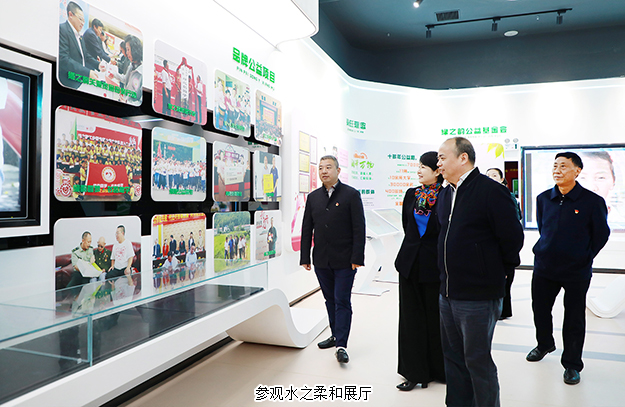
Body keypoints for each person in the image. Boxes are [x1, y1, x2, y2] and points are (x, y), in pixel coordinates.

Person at [436, 137, 524, 407]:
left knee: (477, 361)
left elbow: (512, 238)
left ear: (463, 158)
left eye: (442, 157)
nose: (438, 163)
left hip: (478, 294)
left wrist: (495, 273)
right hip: (448, 292)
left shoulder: (490, 191)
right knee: (453, 359)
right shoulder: (446, 193)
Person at [527, 152, 610, 385]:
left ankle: (572, 364)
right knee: (540, 310)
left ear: (577, 171)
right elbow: (543, 228)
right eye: (555, 166)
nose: (557, 170)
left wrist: (585, 256)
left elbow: (601, 234)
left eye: (563, 166)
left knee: (574, 317)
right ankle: (544, 344)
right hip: (545, 267)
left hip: (576, 270)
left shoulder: (592, 202)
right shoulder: (544, 199)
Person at [300, 155, 366, 364]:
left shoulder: (351, 194)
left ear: (338, 171)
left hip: (345, 260)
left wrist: (357, 257)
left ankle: (341, 345)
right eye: (321, 168)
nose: (324, 171)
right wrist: (304, 256)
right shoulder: (313, 197)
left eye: (328, 167)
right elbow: (307, 228)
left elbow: (359, 228)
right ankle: (335, 334)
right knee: (329, 300)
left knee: (342, 300)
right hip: (321, 260)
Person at [394, 151, 445, 391]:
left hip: (435, 266)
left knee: (436, 320)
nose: (419, 170)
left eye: (424, 166)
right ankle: (414, 372)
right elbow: (408, 227)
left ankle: (438, 369)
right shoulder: (411, 194)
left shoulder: (447, 195)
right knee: (411, 320)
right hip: (410, 264)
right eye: (419, 166)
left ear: (437, 171)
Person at [486, 167, 522, 320]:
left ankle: (503, 311)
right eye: (488, 175)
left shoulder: (507, 195)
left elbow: (516, 218)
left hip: (505, 244)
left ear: (502, 179)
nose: (491, 178)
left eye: (494, 175)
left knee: (505, 280)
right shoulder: (486, 195)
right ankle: (503, 311)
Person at [58, 1, 98, 89]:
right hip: (67, 83)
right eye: (80, 19)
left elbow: (85, 55)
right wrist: (87, 72)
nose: (83, 23)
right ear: (70, 15)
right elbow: (63, 59)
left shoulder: (79, 35)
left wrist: (98, 65)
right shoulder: (62, 29)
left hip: (78, 82)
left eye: (84, 20)